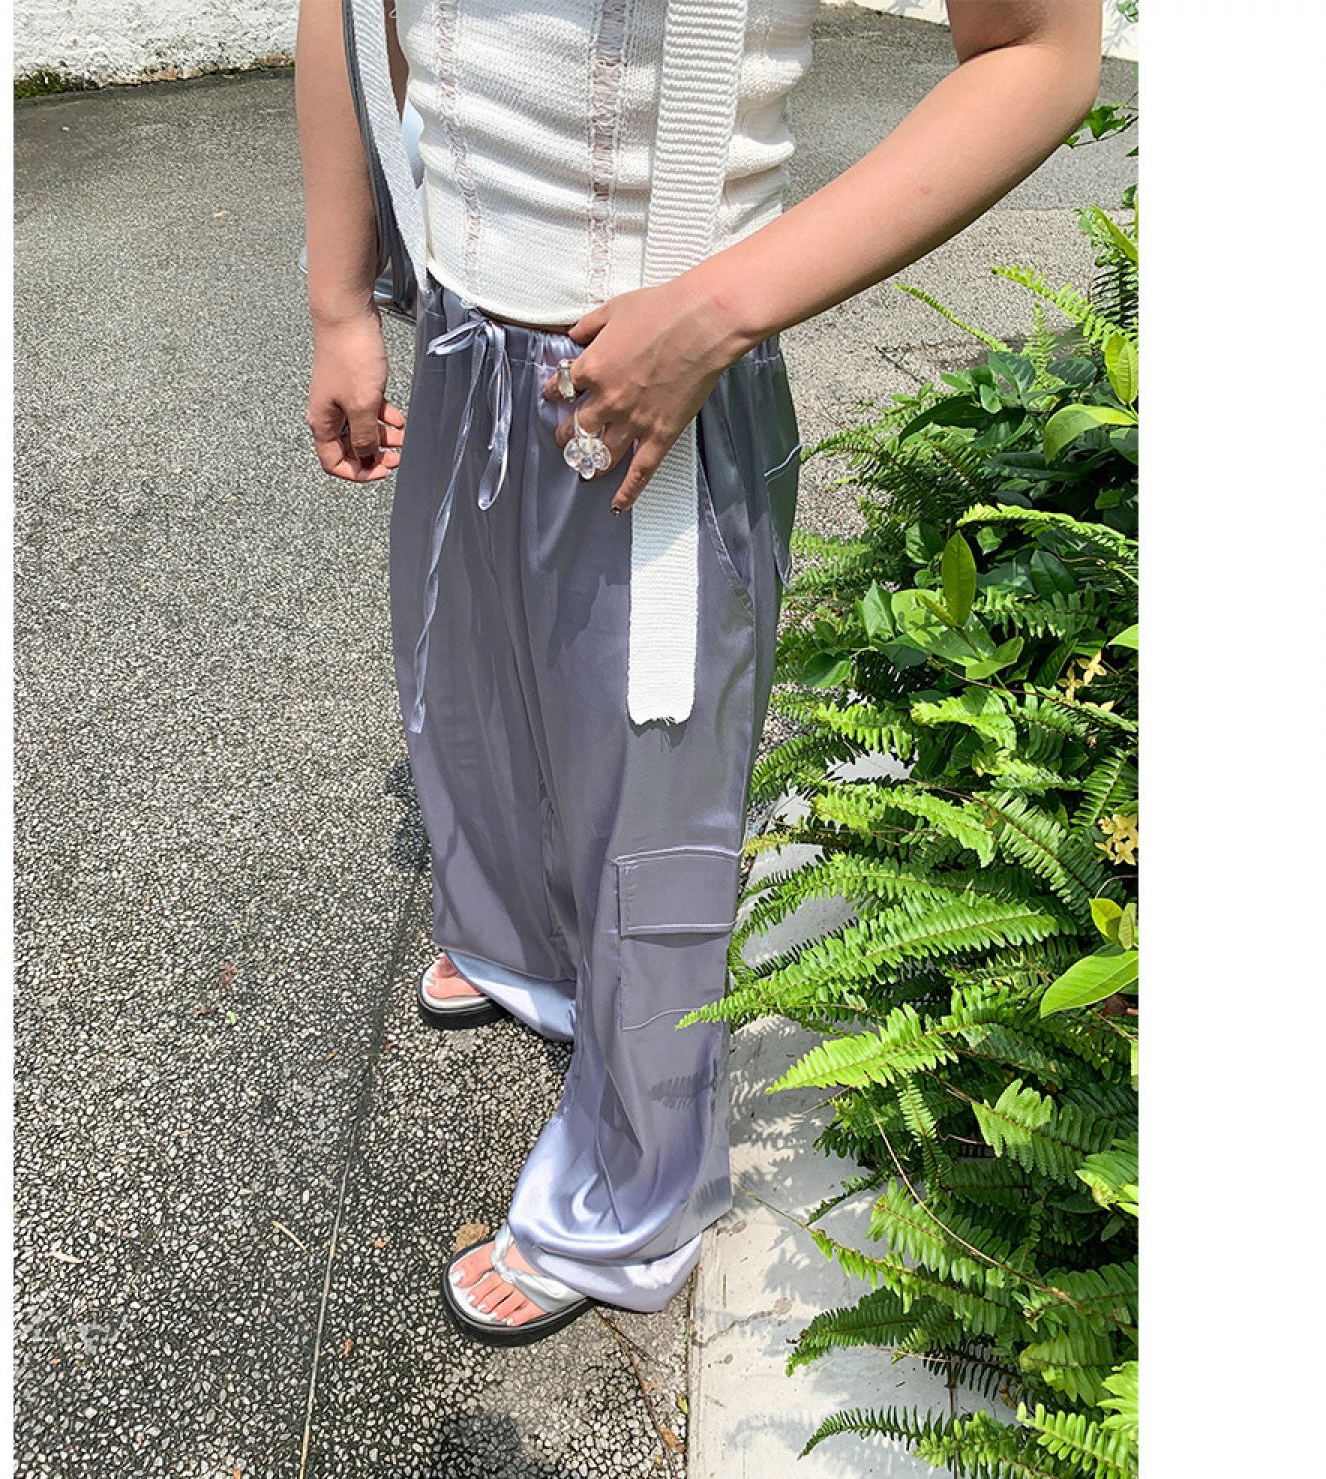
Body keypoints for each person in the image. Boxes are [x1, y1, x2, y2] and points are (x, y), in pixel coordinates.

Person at [296, 0, 1102, 1346]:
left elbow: (1041, 55)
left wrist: (720, 308)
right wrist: (340, 295)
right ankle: (522, 949)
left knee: (654, 799)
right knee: (475, 684)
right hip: (459, 330)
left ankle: (630, 1198)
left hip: (664, 379)